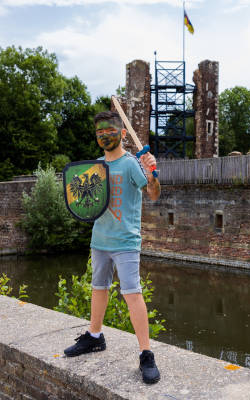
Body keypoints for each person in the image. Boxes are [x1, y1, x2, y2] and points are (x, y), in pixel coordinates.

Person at [63, 111, 161, 384]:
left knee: (132, 293)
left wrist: (152, 173)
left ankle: (146, 354)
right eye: (99, 132)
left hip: (126, 243)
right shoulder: (95, 168)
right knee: (98, 288)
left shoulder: (131, 164)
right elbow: (84, 201)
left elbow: (153, 194)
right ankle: (95, 336)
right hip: (100, 241)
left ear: (122, 133)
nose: (104, 135)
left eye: (109, 130)